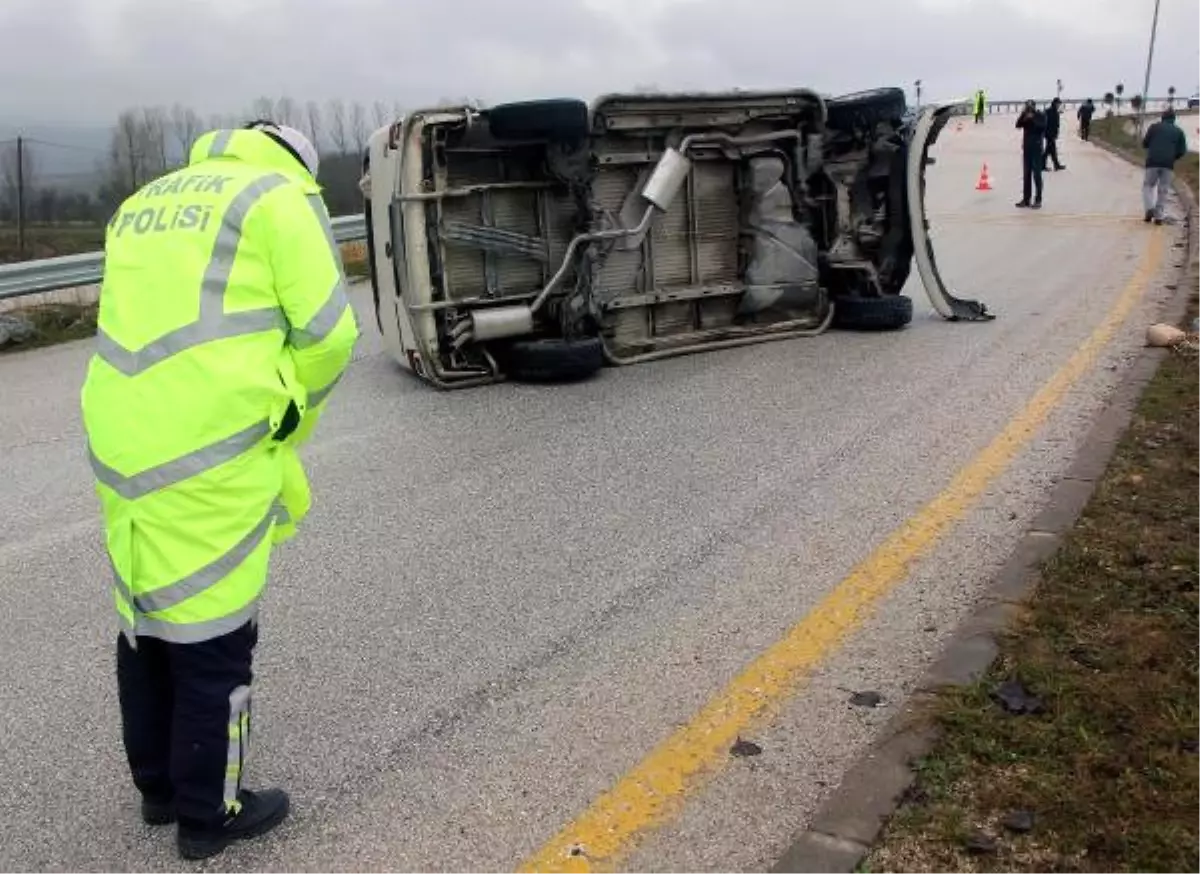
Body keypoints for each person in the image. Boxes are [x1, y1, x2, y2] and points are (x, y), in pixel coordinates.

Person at [80, 120, 359, 860]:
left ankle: (160, 790)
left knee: (145, 618)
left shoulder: (143, 201)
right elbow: (332, 335)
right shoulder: (277, 199)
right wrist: (293, 410)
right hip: (211, 447)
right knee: (214, 634)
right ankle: (211, 813)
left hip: (120, 437)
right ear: (299, 165)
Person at [1141, 109, 1188, 224]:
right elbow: (1182, 150)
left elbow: (1145, 143)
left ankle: (1149, 208)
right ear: (1174, 119)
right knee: (1163, 189)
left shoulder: (1154, 127)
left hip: (1152, 162)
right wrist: (1173, 157)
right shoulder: (1179, 131)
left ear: (1162, 117)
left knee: (1148, 186)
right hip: (1168, 164)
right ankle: (1159, 216)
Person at [1015, 100, 1047, 209]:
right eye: (1027, 107)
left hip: (1037, 149)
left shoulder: (1040, 115)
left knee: (1037, 175)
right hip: (1027, 149)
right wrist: (1023, 115)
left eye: (1030, 107)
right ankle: (1026, 199)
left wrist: (1032, 118)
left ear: (1034, 107)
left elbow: (1042, 127)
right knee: (1026, 175)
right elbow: (1018, 125)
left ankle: (1038, 200)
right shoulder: (1025, 116)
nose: (1028, 109)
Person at [1043, 97, 1065, 171]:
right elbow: (1049, 123)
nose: (1059, 105)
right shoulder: (1050, 111)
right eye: (1058, 103)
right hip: (1049, 134)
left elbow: (1056, 124)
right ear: (1055, 103)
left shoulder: (1054, 111)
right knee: (1048, 150)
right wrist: (1052, 133)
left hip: (1051, 133)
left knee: (1052, 150)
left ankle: (1056, 165)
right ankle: (1043, 165)